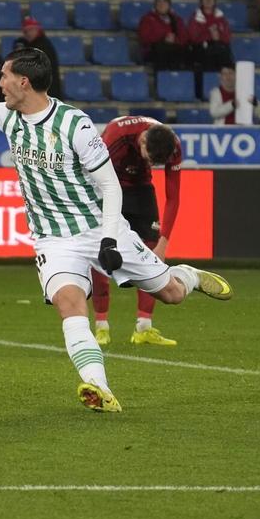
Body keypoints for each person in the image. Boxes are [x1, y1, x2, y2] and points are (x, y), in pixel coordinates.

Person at [0, 49, 233, 412]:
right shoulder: (9, 116)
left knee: (172, 294)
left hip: (98, 227)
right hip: (52, 238)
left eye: (4, 76)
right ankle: (98, 387)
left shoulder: (74, 125)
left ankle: (187, 275)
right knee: (69, 303)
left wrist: (110, 239)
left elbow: (112, 187)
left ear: (24, 82)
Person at [89, 117, 184, 348]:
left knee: (150, 253)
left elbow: (173, 197)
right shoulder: (115, 138)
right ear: (142, 141)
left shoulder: (173, 146)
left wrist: (164, 242)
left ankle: (144, 328)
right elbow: (91, 178)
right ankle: (101, 327)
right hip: (109, 189)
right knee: (103, 252)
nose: (150, 164)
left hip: (141, 190)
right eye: (149, 159)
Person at [138, 0, 190, 71]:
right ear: (155, 4)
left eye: (164, 2)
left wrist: (174, 40)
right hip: (154, 50)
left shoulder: (176, 19)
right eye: (159, 2)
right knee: (162, 49)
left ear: (169, 4)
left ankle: (177, 79)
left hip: (172, 49)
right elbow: (144, 37)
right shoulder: (147, 19)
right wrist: (163, 38)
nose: (161, 4)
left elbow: (184, 37)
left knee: (185, 51)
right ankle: (162, 79)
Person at [13, 17, 63, 98]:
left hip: (46, 90)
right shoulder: (28, 44)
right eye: (26, 31)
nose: (29, 33)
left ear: (38, 30)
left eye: (31, 30)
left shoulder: (44, 46)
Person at [186, 0, 234, 72]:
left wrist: (218, 37)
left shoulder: (221, 17)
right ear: (201, 2)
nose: (208, 0)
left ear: (214, 1)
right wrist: (209, 34)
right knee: (210, 53)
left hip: (218, 45)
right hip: (201, 48)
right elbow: (192, 37)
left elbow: (227, 37)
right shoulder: (195, 17)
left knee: (224, 51)